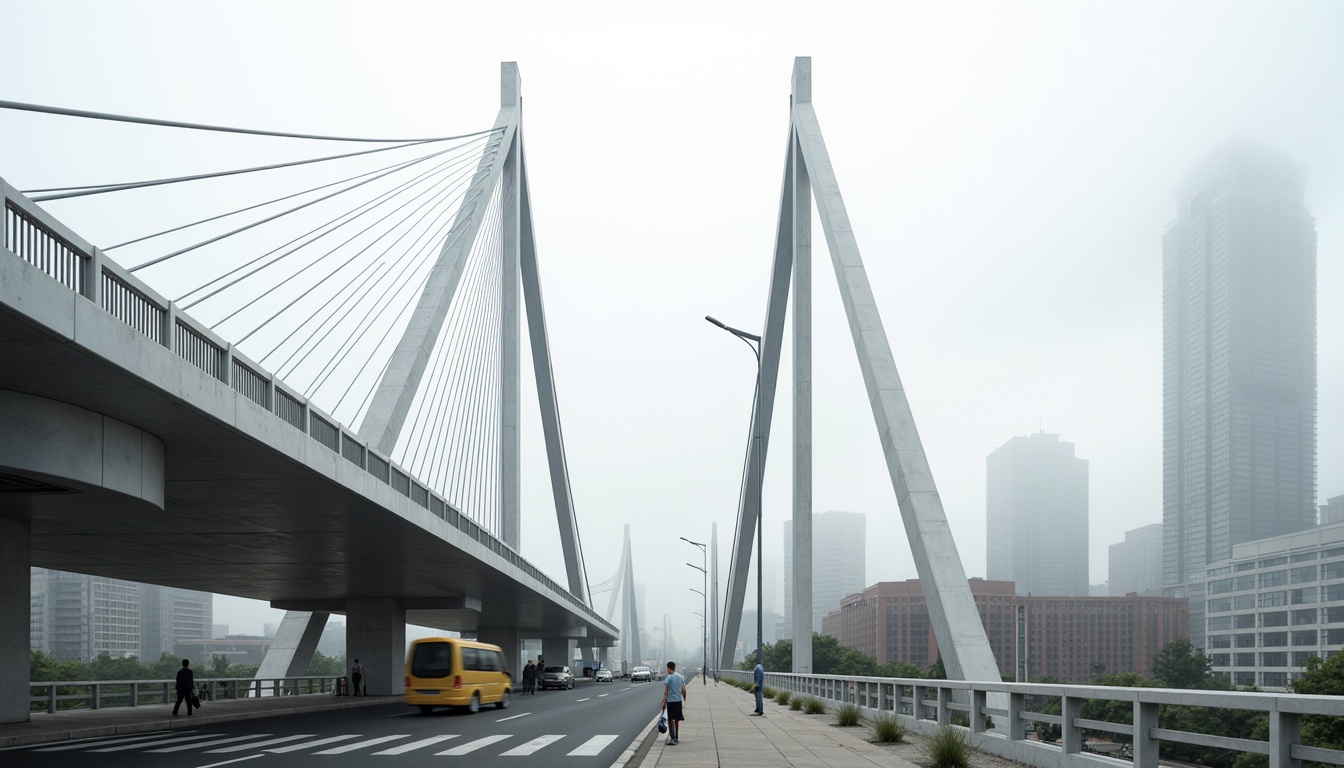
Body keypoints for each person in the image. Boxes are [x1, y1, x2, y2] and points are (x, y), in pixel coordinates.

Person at [660, 661, 686, 745]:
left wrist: (663, 702)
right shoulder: (681, 677)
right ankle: (677, 738)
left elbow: (666, 692)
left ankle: (672, 738)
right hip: (678, 701)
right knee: (677, 720)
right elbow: (683, 690)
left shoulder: (668, 678)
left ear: (668, 668)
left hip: (671, 701)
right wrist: (684, 699)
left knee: (670, 720)